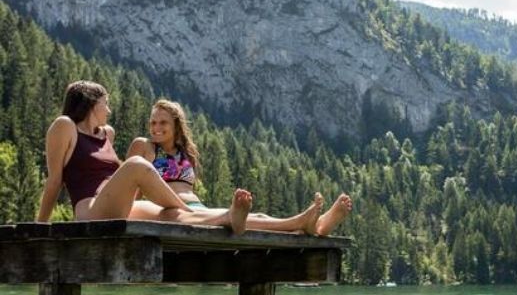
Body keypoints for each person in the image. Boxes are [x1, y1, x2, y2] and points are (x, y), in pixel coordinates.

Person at [36, 81, 251, 233]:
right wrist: (40, 226)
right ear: (91, 103)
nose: (109, 110)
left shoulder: (106, 133)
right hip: (92, 212)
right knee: (137, 165)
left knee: (169, 215)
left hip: (119, 207)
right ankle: (188, 209)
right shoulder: (65, 126)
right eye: (105, 103)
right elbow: (55, 180)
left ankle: (228, 218)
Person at [127, 99, 353, 236]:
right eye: (153, 122)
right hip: (167, 210)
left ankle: (320, 226)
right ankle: (300, 222)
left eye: (163, 122)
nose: (156, 128)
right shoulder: (144, 147)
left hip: (194, 207)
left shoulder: (186, 154)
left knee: (259, 215)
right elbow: (130, 189)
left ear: (176, 125)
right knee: (232, 217)